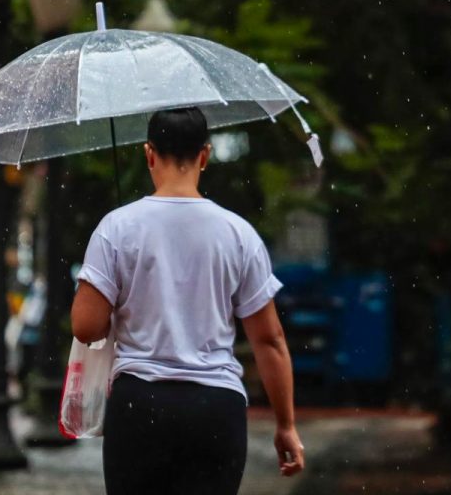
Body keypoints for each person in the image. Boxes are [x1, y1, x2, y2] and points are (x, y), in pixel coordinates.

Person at [71, 107, 305, 495]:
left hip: (140, 406)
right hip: (216, 408)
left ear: (148, 154)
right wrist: (286, 426)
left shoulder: (116, 227)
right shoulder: (238, 233)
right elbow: (270, 340)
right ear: (205, 155)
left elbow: (85, 327)